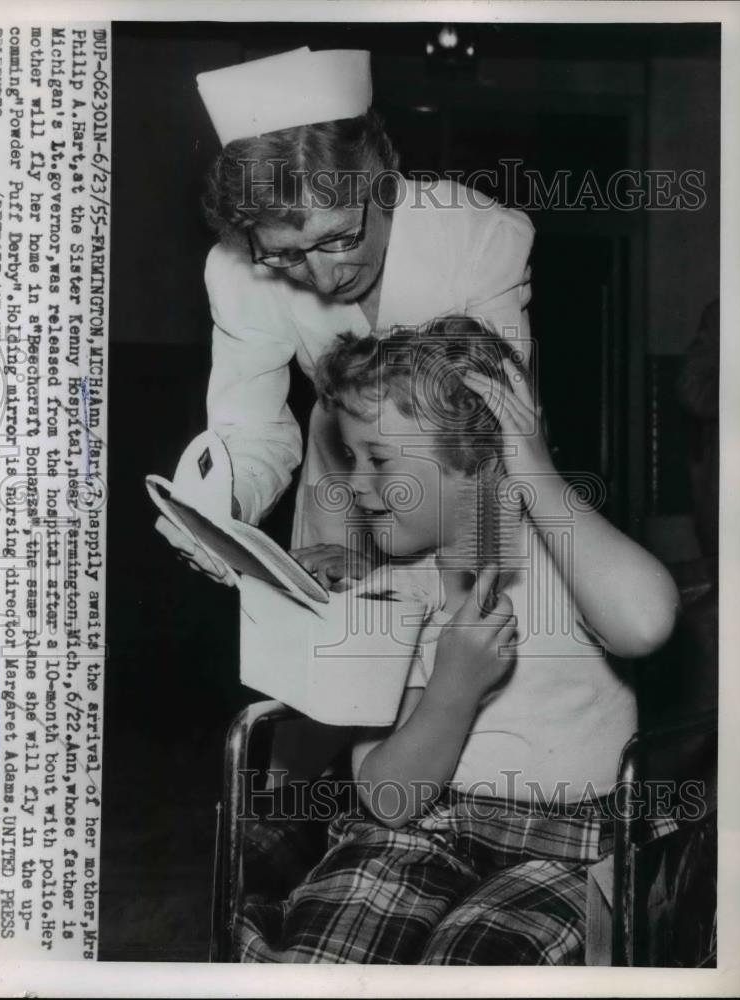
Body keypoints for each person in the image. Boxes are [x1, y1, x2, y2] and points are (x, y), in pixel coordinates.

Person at [236, 318, 680, 964]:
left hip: (564, 847)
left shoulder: (568, 563)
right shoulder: (387, 596)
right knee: (324, 956)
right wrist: (454, 688)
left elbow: (645, 622)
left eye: (378, 459)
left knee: (471, 959)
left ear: (481, 458)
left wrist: (533, 469)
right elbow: (389, 800)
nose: (355, 485)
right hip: (419, 830)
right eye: (352, 458)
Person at [156, 47, 534, 581]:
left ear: (383, 178)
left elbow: (499, 435)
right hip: (343, 497)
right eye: (287, 255)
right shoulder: (238, 269)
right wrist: (223, 511)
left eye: (338, 237)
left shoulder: (475, 235)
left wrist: (392, 574)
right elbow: (252, 429)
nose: (325, 277)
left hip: (474, 523)